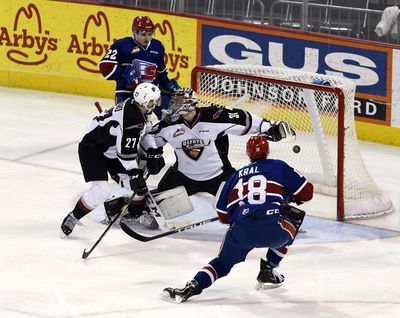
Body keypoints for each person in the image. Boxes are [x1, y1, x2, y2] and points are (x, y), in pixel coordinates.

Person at [162, 135, 314, 303]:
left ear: (248, 153)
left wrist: (240, 214)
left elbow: (222, 214)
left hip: (242, 230)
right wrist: (286, 198)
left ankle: (191, 287)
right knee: (295, 217)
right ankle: (268, 270)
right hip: (274, 229)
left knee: (221, 264)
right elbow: (307, 193)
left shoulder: (236, 176)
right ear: (268, 150)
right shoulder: (278, 166)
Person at [60, 83, 166, 238]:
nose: (155, 104)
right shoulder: (132, 119)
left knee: (135, 183)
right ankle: (73, 217)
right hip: (92, 148)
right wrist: (135, 173)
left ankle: (137, 213)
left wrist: (153, 151)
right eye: (152, 101)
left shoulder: (140, 109)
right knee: (102, 190)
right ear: (144, 101)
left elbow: (147, 130)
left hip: (110, 147)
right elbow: (125, 154)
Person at [151, 87, 296, 196]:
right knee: (157, 199)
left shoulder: (215, 117)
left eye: (178, 102)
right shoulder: (169, 125)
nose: (173, 106)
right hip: (184, 176)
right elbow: (150, 140)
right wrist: (152, 155)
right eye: (174, 102)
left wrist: (270, 127)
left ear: (189, 104)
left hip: (219, 176)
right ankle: (138, 213)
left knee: (249, 197)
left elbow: (245, 119)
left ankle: (282, 213)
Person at [99, 15, 179, 119]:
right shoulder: (123, 45)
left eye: (150, 34)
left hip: (151, 94)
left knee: (170, 118)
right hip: (127, 93)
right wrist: (125, 72)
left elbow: (161, 72)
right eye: (143, 34)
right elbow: (105, 67)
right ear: (134, 32)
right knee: (129, 124)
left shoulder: (157, 46)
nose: (147, 38)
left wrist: (169, 85)